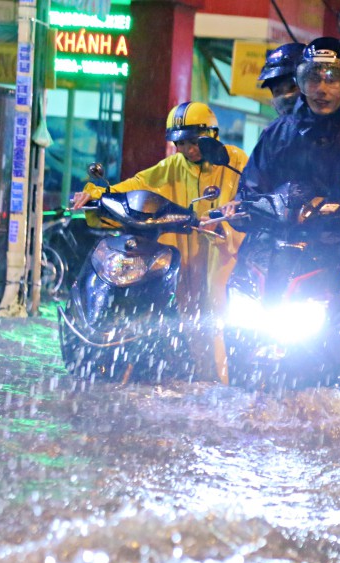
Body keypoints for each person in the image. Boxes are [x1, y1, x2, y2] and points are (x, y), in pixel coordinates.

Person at [232, 36, 340, 398]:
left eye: (333, 78)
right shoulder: (279, 132)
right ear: (300, 81)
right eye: (313, 77)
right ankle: (235, 378)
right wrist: (240, 207)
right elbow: (252, 186)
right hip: (282, 245)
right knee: (240, 296)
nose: (322, 89)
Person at [71, 101, 248, 380]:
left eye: (193, 142)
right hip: (185, 252)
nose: (188, 150)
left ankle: (225, 380)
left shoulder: (236, 161)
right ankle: (196, 380)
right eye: (181, 144)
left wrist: (231, 213)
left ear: (212, 135)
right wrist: (96, 195)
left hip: (224, 251)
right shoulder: (172, 166)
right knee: (185, 314)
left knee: (218, 314)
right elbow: (135, 185)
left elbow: (252, 194)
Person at [258, 42, 305, 116]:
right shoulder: (278, 127)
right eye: (277, 91)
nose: (286, 96)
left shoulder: (327, 123)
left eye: (292, 88)